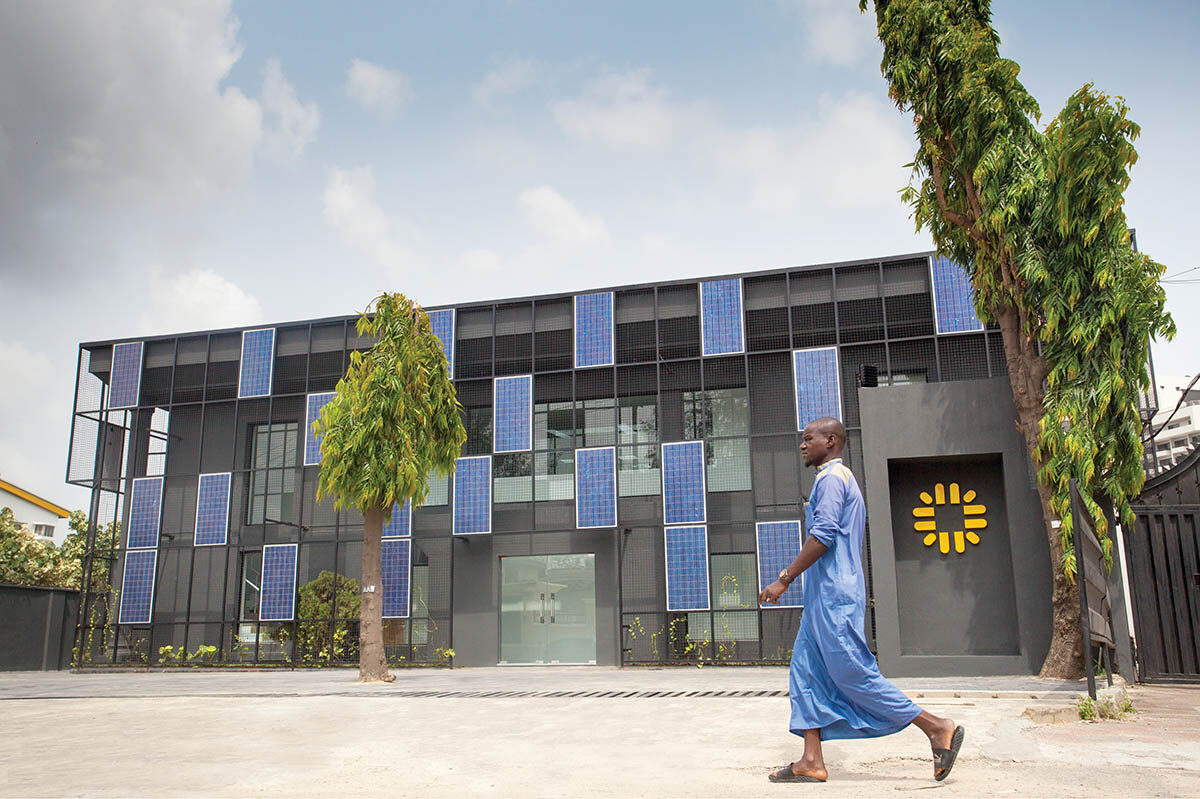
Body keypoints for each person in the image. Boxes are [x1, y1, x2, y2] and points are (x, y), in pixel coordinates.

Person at [758, 416, 964, 783]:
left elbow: (822, 537)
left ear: (832, 441)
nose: (803, 445)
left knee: (852, 671)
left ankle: (935, 726)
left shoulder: (834, 480)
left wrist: (783, 579)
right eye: (802, 440)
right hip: (823, 597)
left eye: (809, 439)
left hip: (836, 595)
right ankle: (811, 760)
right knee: (806, 672)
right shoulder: (828, 480)